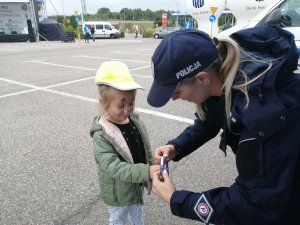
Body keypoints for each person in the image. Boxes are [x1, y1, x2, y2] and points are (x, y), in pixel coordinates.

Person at [147, 27, 300, 225]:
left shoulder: (265, 114)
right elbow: (211, 120)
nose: (175, 99)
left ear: (202, 78)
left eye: (176, 92)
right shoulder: (225, 76)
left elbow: (254, 205)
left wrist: (175, 199)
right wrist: (176, 147)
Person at [90, 61, 160, 225]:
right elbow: (113, 167)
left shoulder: (134, 119)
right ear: (104, 103)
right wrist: (146, 171)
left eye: (132, 102)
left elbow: (143, 147)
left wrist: (152, 163)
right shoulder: (102, 134)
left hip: (137, 182)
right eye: (121, 105)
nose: (127, 109)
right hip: (118, 192)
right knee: (118, 218)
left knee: (137, 209)